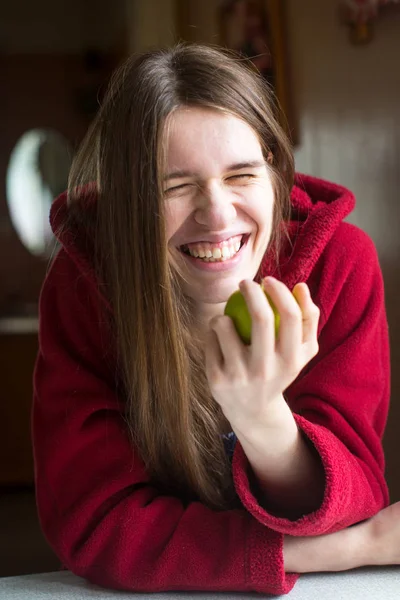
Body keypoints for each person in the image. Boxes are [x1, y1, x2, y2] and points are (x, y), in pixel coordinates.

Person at [32, 43, 400, 596]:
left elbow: (348, 494)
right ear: (129, 200)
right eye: (173, 186)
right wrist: (346, 551)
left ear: (274, 173)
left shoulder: (339, 265)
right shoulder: (85, 285)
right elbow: (97, 528)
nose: (217, 214)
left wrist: (260, 417)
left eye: (242, 174)